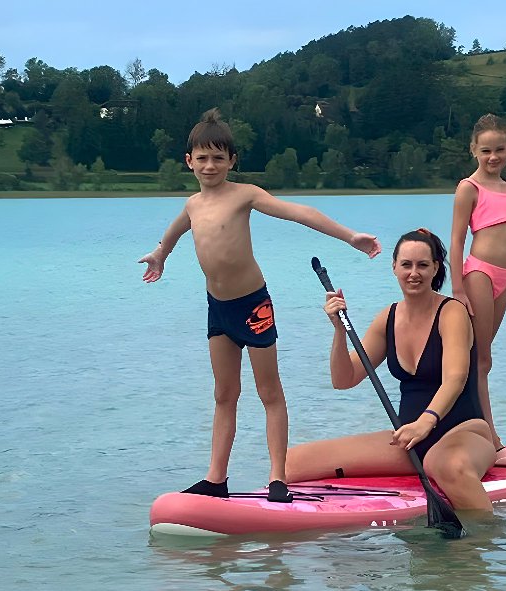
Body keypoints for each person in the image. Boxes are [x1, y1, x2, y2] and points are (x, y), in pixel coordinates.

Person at [138, 108, 381, 500]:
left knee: (269, 392)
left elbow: (300, 213)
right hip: (218, 309)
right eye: (202, 158)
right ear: (189, 162)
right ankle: (216, 478)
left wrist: (349, 236)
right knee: (224, 394)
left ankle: (277, 478)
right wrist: (159, 255)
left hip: (253, 306)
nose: (210, 165)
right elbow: (174, 234)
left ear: (232, 160)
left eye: (218, 157)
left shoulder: (245, 195)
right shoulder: (191, 205)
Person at [285, 229, 506, 512]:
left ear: (436, 268)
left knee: (446, 466)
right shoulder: (388, 318)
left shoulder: (452, 312)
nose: (413, 273)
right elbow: (344, 379)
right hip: (409, 439)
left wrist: (426, 421)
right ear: (394, 267)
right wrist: (339, 332)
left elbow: (456, 377)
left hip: (463, 432)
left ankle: (481, 543)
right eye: (406, 265)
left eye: (422, 265)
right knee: (292, 462)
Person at [450, 114, 506, 468]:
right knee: (480, 360)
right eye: (486, 150)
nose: (493, 157)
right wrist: (458, 289)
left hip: (504, 277)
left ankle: (470, 432)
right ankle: (493, 443)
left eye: (500, 149)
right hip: (479, 274)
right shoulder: (469, 187)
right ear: (474, 150)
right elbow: (455, 240)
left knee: (480, 360)